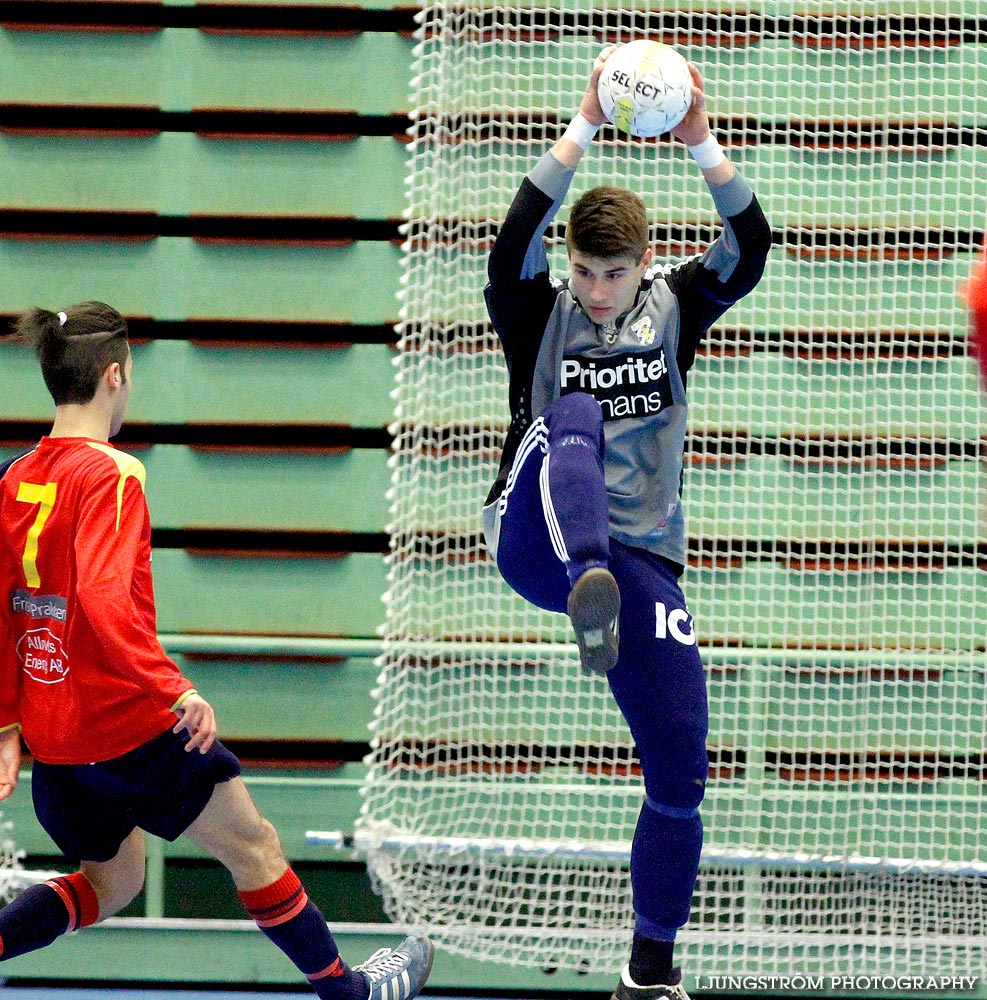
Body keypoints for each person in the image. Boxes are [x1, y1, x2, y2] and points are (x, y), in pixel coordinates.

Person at [0, 302, 433, 1000]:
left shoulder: (17, 477)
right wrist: (175, 688)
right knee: (252, 845)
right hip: (126, 725)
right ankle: (348, 993)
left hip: (57, 738)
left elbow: (7, 614)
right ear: (116, 375)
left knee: (113, 883)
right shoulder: (112, 475)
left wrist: (9, 726)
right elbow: (108, 605)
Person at [482, 49, 771, 1000]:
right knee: (571, 414)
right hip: (537, 533)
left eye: (611, 274)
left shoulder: (675, 309)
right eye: (584, 270)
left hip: (639, 560)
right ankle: (591, 581)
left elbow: (751, 246)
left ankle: (649, 969)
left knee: (682, 759)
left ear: (642, 264)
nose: (597, 291)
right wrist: (583, 121)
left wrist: (701, 141)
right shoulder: (540, 314)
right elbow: (511, 237)